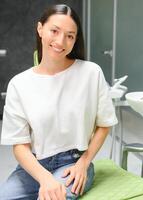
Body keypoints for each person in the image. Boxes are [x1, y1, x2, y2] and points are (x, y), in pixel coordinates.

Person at [0, 4, 117, 200]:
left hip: (72, 164)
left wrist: (84, 163)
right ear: (40, 29)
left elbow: (104, 125)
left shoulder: (91, 73)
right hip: (34, 166)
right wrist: (45, 178)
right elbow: (19, 145)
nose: (61, 41)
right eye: (54, 31)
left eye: (70, 35)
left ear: (75, 40)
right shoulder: (19, 84)